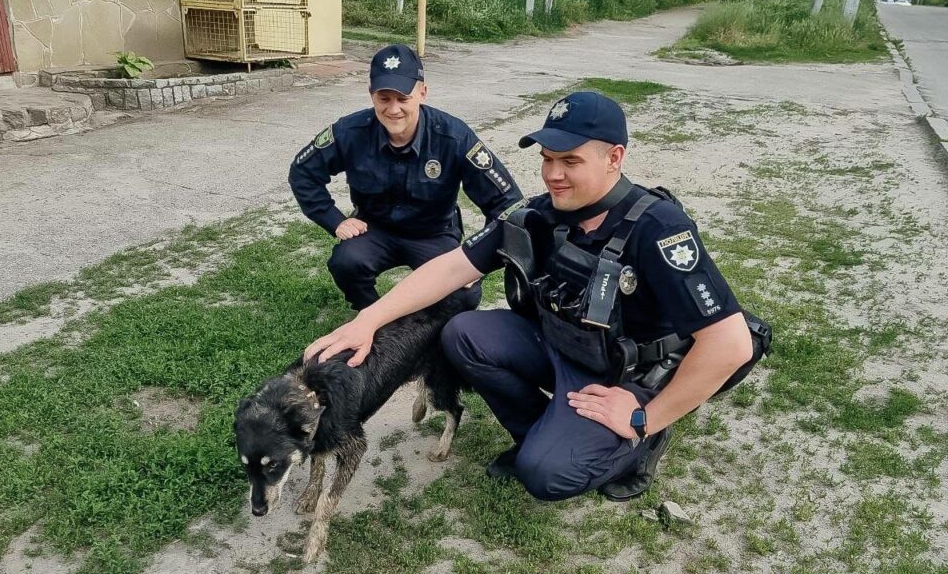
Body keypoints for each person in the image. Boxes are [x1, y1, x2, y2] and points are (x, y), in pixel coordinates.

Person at [305, 92, 753, 502]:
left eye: (570, 162)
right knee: (462, 333)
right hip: (567, 347)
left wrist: (645, 418)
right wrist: (368, 319)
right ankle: (544, 432)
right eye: (547, 159)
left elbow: (730, 344)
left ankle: (640, 442)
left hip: (626, 373)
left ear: (614, 157)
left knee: (546, 475)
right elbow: (453, 267)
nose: (553, 175)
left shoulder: (659, 227)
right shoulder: (538, 213)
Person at [288, 44, 522, 311]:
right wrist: (335, 220)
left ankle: (425, 327)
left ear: (422, 93)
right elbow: (302, 171)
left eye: (403, 98)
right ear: (371, 95)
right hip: (374, 231)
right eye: (384, 98)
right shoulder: (350, 132)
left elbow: (507, 203)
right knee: (346, 262)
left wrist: (477, 257)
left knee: (462, 296)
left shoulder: (454, 137)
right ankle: (371, 315)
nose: (394, 109)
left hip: (433, 234)